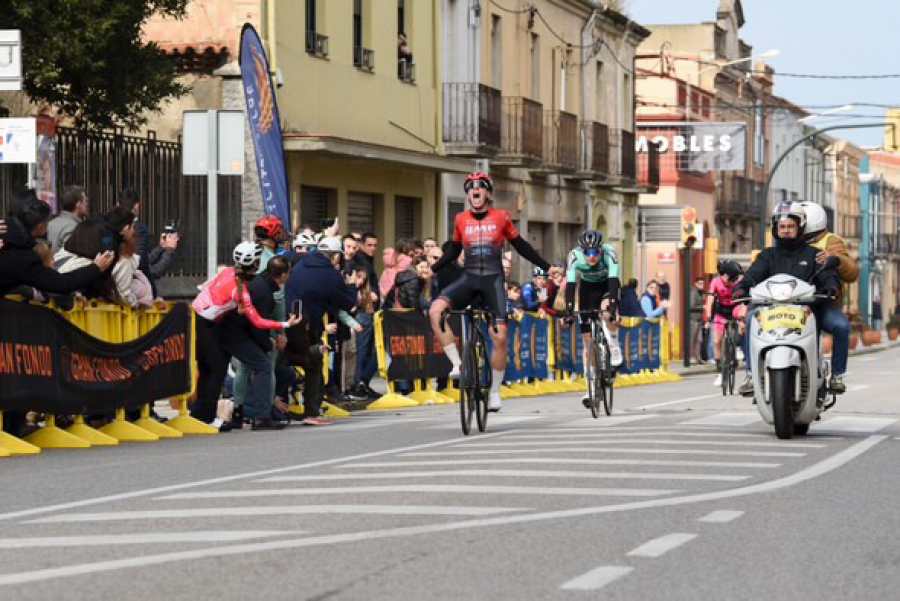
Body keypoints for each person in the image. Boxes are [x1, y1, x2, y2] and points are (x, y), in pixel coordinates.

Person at [429, 171, 550, 412]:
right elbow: (453, 251)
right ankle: (457, 365)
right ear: (468, 194)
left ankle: (494, 391)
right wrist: (433, 268)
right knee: (435, 310)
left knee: (500, 336)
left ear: (487, 192)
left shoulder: (502, 217)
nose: (475, 190)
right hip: (469, 278)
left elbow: (521, 246)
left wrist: (546, 266)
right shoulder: (460, 219)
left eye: (480, 186)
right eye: (470, 187)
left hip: (493, 280)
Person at [733, 202, 841, 396]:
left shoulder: (814, 254)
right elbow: (753, 275)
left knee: (840, 325)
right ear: (775, 228)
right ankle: (750, 374)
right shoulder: (767, 256)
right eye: (782, 227)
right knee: (749, 320)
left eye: (791, 226)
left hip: (806, 310)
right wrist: (741, 288)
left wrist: (831, 285)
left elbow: (827, 275)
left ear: (800, 227)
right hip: (771, 312)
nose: (786, 231)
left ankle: (834, 374)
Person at [191, 242, 301, 430]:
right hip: (217, 327)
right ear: (256, 263)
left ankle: (205, 415)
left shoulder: (227, 272)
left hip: (205, 320)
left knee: (212, 371)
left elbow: (205, 288)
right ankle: (259, 417)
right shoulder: (241, 289)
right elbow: (257, 321)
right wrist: (284, 324)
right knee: (257, 366)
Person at [285, 236, 358, 424]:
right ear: (334, 256)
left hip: (285, 322)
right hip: (308, 326)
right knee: (314, 363)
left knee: (283, 361)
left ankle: (276, 404)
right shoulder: (330, 275)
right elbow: (347, 302)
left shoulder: (300, 265)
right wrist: (351, 285)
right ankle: (311, 412)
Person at [798, 201, 856, 394]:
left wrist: (835, 259)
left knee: (841, 326)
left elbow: (851, 271)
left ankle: (838, 374)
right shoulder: (788, 240)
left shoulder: (831, 241)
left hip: (823, 304)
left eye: (799, 222)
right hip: (792, 304)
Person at [564, 230, 623, 408]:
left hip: (607, 285)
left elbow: (613, 280)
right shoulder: (574, 257)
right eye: (587, 253)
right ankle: (590, 388)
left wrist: (612, 305)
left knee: (606, 311)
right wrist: (568, 310)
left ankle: (613, 346)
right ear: (582, 251)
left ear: (601, 250)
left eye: (595, 252)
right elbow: (571, 285)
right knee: (587, 341)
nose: (592, 257)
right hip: (587, 289)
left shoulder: (610, 253)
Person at [704, 260, 743, 387]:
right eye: (730, 279)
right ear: (724, 275)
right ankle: (720, 371)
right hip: (721, 311)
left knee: (743, 323)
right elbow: (709, 300)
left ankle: (737, 347)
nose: (732, 282)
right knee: (716, 341)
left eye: (734, 279)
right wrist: (708, 317)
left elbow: (744, 301)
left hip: (735, 308)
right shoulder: (715, 282)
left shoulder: (738, 281)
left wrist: (742, 320)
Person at [47, 185, 88, 252]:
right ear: (78, 204)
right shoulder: (74, 227)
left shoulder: (51, 223)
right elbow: (72, 257)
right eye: (85, 201)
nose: (87, 204)